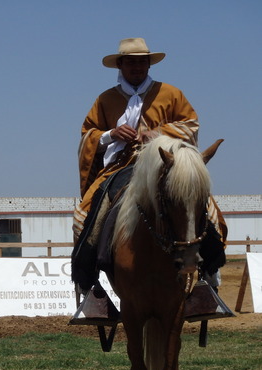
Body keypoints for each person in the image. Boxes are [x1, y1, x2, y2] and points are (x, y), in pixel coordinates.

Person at [72, 38, 227, 290]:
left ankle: (209, 276)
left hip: (166, 164)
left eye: (142, 62)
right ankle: (90, 286)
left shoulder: (171, 93)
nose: (137, 67)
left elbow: (190, 125)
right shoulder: (105, 100)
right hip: (121, 167)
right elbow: (87, 135)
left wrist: (158, 134)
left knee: (204, 206)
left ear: (149, 65)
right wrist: (112, 134)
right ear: (120, 65)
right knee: (84, 214)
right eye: (131, 62)